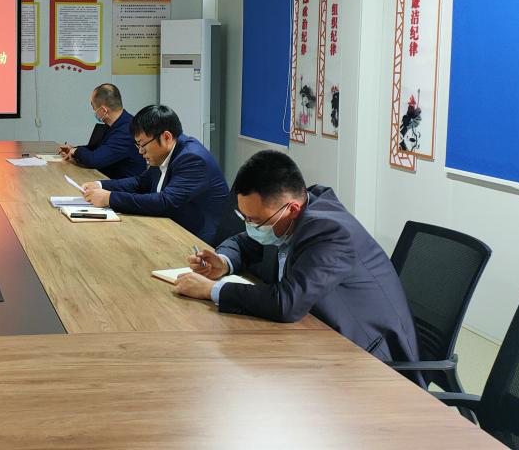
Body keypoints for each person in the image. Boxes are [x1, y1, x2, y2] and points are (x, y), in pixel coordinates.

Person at [173, 150, 420, 366]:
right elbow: (242, 242)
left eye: (255, 220)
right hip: (313, 336)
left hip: (369, 358)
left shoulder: (329, 233)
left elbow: (287, 303)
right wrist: (223, 262)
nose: (250, 226)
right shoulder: (289, 216)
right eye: (244, 217)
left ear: (291, 210)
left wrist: (212, 290)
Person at [81, 104, 230, 244]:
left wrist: (110, 198)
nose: (140, 151)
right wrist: (100, 185)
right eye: (138, 145)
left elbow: (165, 202)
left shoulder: (192, 159)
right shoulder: (164, 153)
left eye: (143, 144)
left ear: (166, 137)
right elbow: (141, 183)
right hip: (169, 228)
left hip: (198, 241)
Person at [58, 83, 146, 179]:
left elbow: (95, 160)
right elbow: (97, 149)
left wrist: (76, 151)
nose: (94, 112)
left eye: (94, 108)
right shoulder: (115, 124)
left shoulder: (127, 130)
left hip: (123, 185)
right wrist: (73, 149)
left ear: (104, 110)